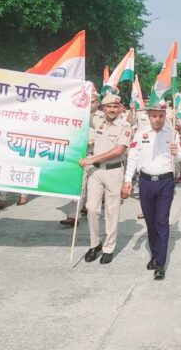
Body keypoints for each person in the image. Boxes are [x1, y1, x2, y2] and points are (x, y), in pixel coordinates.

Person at [122, 101, 181, 280]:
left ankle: (160, 263)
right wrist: (128, 180)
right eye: (154, 116)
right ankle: (155, 254)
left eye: (161, 116)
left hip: (165, 182)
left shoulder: (172, 134)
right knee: (150, 222)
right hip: (146, 182)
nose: (157, 119)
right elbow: (133, 158)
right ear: (149, 116)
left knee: (162, 222)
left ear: (165, 116)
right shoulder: (140, 133)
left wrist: (177, 152)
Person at [78, 94, 130, 264]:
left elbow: (119, 150)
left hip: (114, 172)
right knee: (91, 209)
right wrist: (86, 93)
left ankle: (109, 247)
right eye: (109, 106)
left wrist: (93, 159)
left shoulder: (124, 125)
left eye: (116, 106)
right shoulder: (98, 122)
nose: (112, 110)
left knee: (111, 211)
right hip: (96, 172)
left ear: (120, 108)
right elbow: (83, 113)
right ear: (103, 108)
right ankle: (95, 244)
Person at [60, 85, 106, 226]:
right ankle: (73, 216)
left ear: (97, 103)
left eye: (92, 102)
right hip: (81, 155)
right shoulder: (78, 115)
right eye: (88, 101)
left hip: (96, 156)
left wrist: (94, 140)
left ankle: (87, 207)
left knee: (93, 188)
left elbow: (106, 135)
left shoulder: (103, 117)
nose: (90, 104)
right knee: (79, 184)